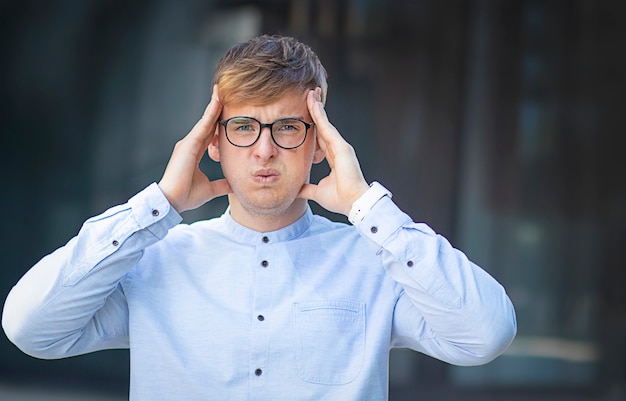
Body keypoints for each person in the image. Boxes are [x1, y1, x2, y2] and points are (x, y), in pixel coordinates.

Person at [2, 35, 516, 400]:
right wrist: (159, 203)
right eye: (244, 127)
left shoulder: (375, 260)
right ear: (214, 143)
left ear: (319, 144)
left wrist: (368, 208)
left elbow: (486, 335)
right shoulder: (153, 260)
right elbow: (30, 328)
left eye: (288, 127)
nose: (265, 150)